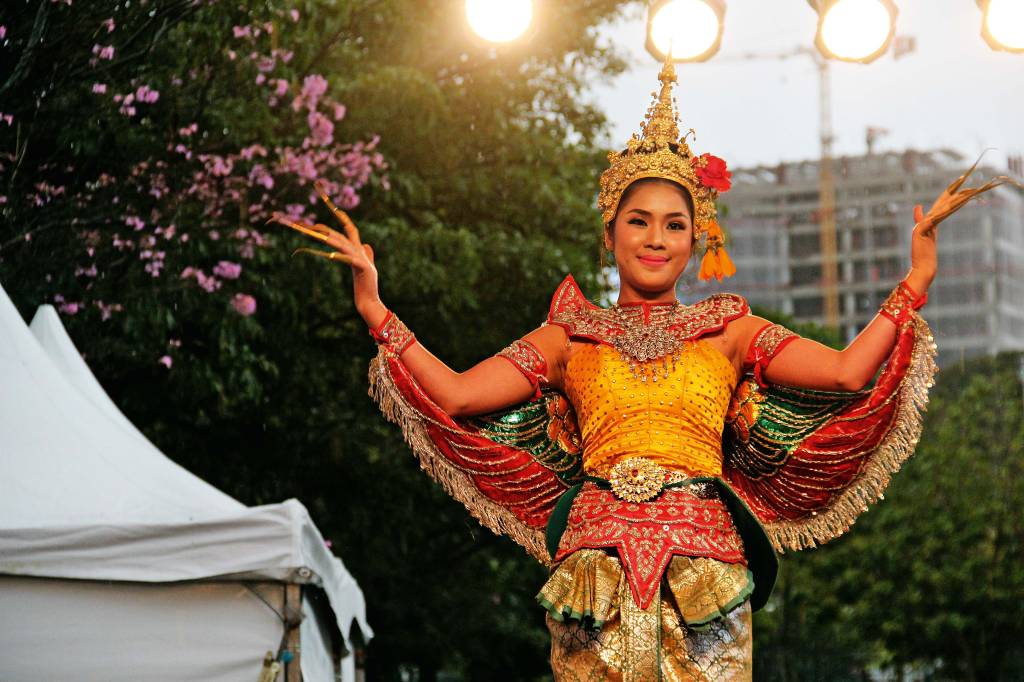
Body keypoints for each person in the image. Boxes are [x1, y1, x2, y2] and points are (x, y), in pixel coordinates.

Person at [272, 57, 1011, 680]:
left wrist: (915, 280)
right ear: (610, 232)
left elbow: (850, 373)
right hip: (594, 571)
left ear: (696, 239)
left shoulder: (730, 329)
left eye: (674, 224)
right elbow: (462, 396)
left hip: (708, 571)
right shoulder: (571, 336)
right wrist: (377, 310)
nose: (655, 238)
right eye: (638, 221)